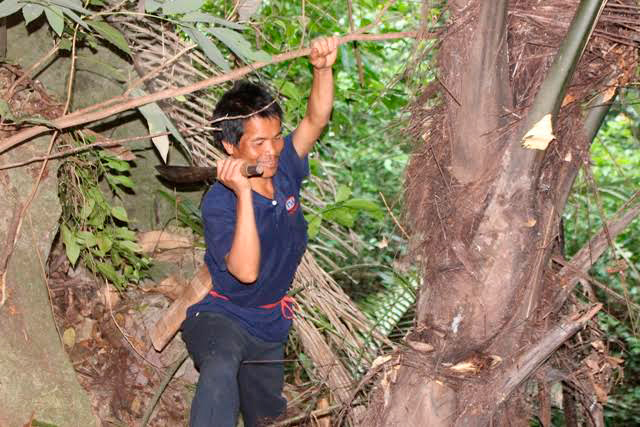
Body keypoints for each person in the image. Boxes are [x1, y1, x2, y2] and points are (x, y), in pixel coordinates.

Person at [181, 36, 338, 427]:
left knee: (265, 416)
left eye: (276, 136)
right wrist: (243, 193)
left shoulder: (283, 168)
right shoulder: (220, 203)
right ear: (230, 145)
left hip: (269, 326)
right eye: (258, 142)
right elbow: (246, 272)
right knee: (219, 373)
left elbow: (316, 120)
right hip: (223, 318)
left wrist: (322, 68)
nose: (272, 150)